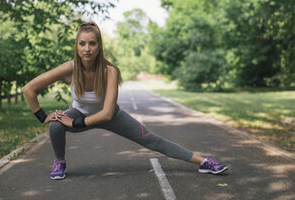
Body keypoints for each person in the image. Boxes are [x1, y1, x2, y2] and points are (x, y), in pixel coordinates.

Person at [22, 22, 228, 180]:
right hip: (79, 112)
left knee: (153, 140)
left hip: (108, 116)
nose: (87, 48)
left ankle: (204, 161)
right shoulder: (69, 68)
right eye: (82, 43)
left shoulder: (110, 71)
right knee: (55, 126)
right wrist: (43, 116)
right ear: (76, 46)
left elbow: (107, 113)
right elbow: (29, 89)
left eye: (92, 43)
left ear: (99, 46)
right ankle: (59, 162)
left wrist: (75, 123)